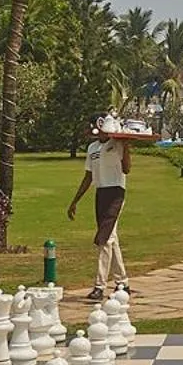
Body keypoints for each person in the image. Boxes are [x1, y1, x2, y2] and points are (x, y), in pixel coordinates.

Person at [68, 118, 132, 300]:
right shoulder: (92, 149)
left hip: (116, 193)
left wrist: (126, 147)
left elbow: (127, 169)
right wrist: (75, 201)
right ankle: (123, 282)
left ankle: (99, 286)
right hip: (101, 192)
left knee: (104, 239)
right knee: (112, 239)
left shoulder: (118, 145)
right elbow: (88, 176)